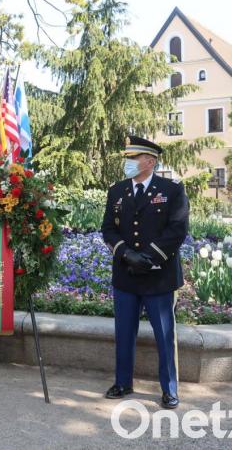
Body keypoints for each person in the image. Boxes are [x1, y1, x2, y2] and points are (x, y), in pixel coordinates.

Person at [101, 136, 190, 409]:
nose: (128, 163)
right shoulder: (117, 191)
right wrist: (127, 254)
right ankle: (123, 382)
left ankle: (169, 389)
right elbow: (108, 229)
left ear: (149, 161)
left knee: (165, 336)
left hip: (159, 276)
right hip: (126, 274)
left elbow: (177, 230)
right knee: (123, 333)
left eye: (133, 158)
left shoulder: (172, 190)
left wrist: (148, 257)